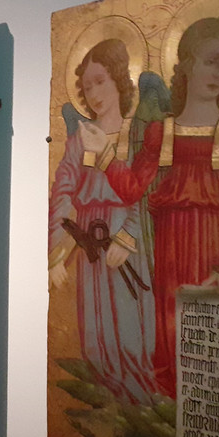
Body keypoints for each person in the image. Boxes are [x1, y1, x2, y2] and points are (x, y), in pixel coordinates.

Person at [104, 16, 219, 399]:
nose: (218, 72)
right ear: (188, 62)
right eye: (211, 60)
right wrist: (102, 155)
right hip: (171, 250)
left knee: (213, 348)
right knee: (171, 331)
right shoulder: (162, 133)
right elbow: (131, 189)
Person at [49, 38, 158, 405]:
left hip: (127, 238)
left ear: (119, 79)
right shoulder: (78, 140)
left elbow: (144, 190)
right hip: (89, 243)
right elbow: (63, 190)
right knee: (95, 338)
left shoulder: (136, 134)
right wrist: (56, 253)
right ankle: (110, 404)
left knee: (131, 334)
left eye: (101, 81)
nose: (94, 93)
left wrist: (127, 236)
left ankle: (139, 403)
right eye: (88, 86)